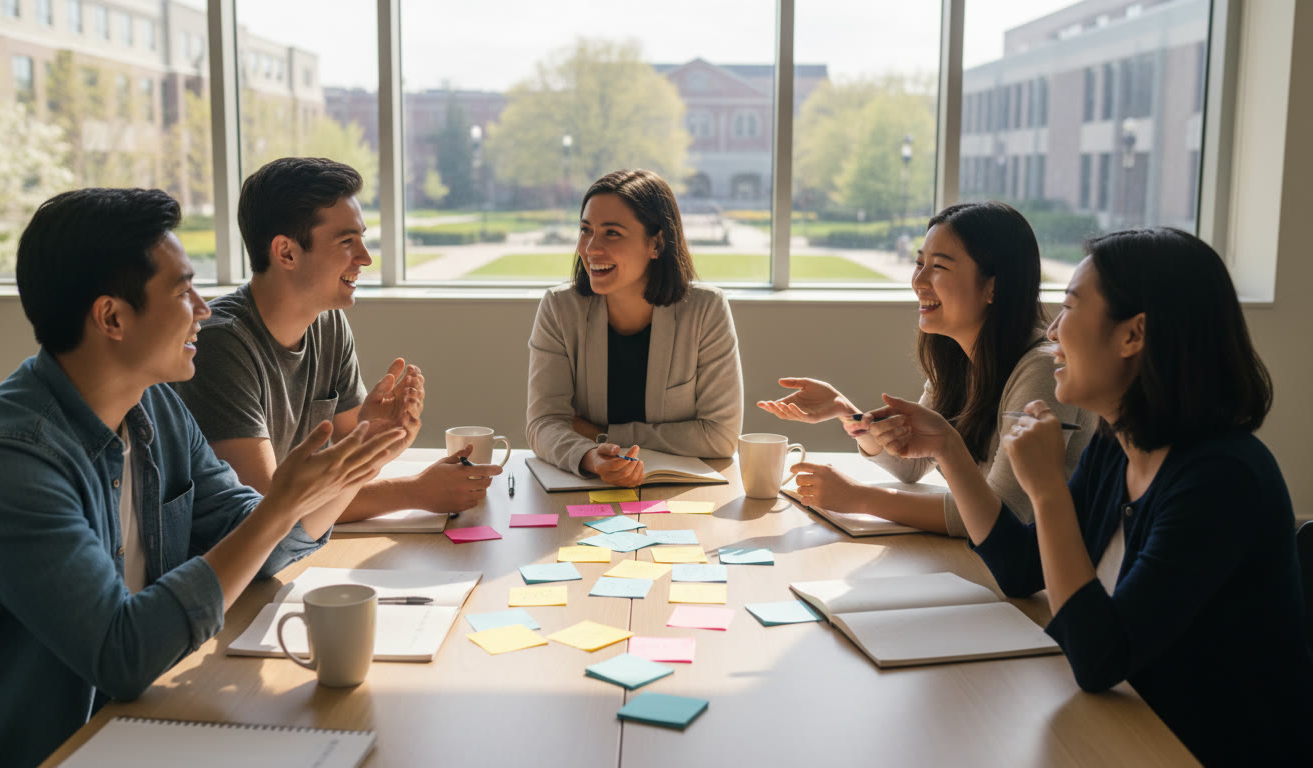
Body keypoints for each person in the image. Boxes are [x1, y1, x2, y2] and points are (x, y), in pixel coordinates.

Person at [0, 188, 407, 767]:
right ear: (112, 317)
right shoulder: (9, 460)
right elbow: (120, 651)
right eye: (182, 291)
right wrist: (279, 508)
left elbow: (254, 544)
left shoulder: (156, 410)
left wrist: (347, 468)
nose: (204, 308)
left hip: (146, 720)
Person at [889, 227, 1311, 764]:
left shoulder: (1221, 480)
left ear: (1133, 335)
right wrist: (948, 449)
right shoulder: (1118, 446)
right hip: (1129, 725)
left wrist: (1047, 491)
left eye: (1070, 308)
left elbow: (1099, 657)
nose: (1053, 334)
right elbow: (1021, 569)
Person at [173, 157, 500, 520]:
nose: (365, 258)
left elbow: (345, 463)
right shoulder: (221, 345)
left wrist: (375, 441)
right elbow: (265, 512)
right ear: (286, 252)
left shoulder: (328, 323)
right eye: (347, 241)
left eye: (362, 238)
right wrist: (413, 491)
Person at [760, 202, 1094, 536]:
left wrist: (860, 499)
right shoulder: (959, 359)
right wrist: (848, 413)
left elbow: (1003, 514)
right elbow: (913, 463)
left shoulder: (1042, 368)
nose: (918, 281)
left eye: (938, 267)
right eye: (919, 263)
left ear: (994, 286)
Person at [526, 169, 742, 487]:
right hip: (590, 486)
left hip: (682, 494)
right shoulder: (559, 308)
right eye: (586, 230)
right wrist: (589, 457)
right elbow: (543, 424)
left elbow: (720, 437)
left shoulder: (706, 309)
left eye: (611, 233)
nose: (591, 248)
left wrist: (603, 434)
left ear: (656, 243)